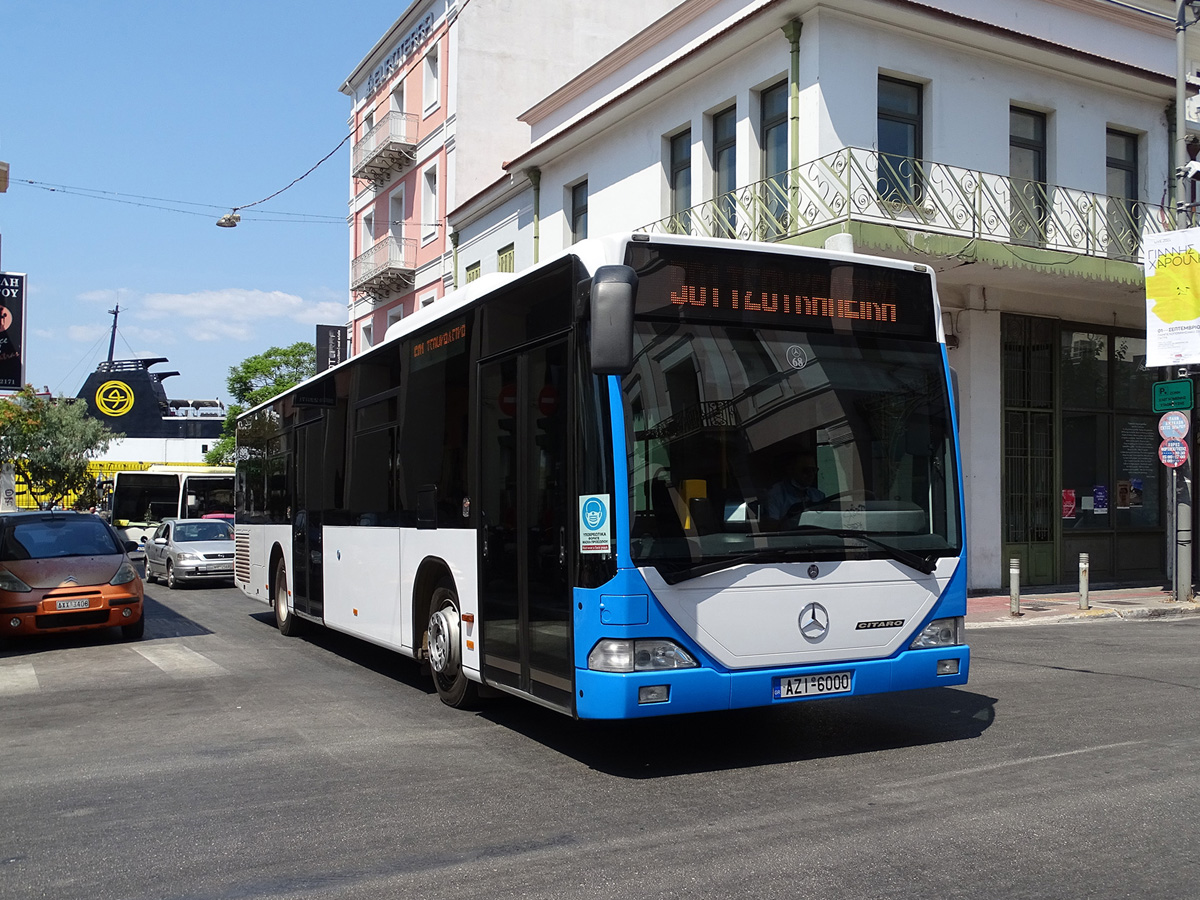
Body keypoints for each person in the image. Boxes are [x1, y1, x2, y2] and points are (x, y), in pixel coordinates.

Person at [763, 451, 825, 527]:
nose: (811, 474)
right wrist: (790, 517)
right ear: (791, 470)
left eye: (814, 470)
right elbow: (771, 527)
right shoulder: (774, 494)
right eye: (806, 470)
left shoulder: (818, 496)